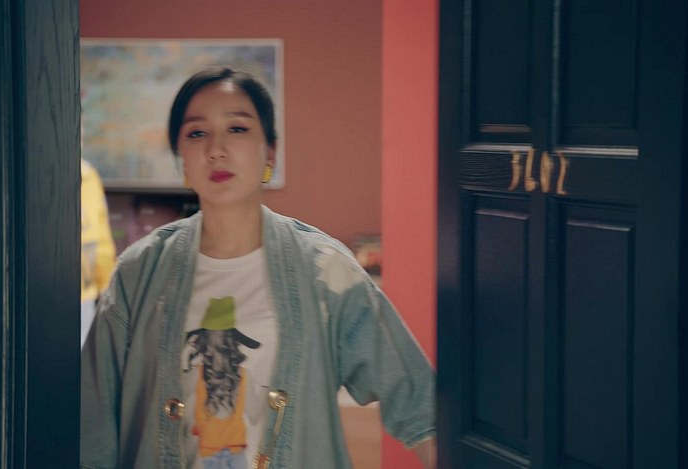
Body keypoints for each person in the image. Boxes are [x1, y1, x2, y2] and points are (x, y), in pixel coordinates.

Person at [80, 66, 436, 469]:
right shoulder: (138, 273)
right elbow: (92, 429)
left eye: (237, 129)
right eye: (197, 133)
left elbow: (419, 404)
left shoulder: (325, 270)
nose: (216, 149)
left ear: (270, 152)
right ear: (182, 157)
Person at [80, 157, 116, 349]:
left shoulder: (89, 176)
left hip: (85, 292)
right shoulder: (87, 175)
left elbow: (102, 238)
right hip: (78, 287)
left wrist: (105, 286)